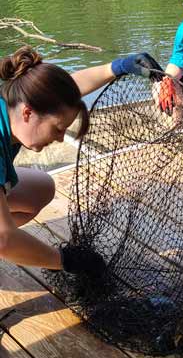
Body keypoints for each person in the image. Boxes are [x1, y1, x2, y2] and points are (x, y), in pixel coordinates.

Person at [0, 46, 160, 274]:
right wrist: (65, 260)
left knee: (41, 188)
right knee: (5, 238)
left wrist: (117, 67)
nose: (59, 138)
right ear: (28, 113)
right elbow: (4, 240)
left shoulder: (13, 99)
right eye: (57, 129)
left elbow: (62, 93)